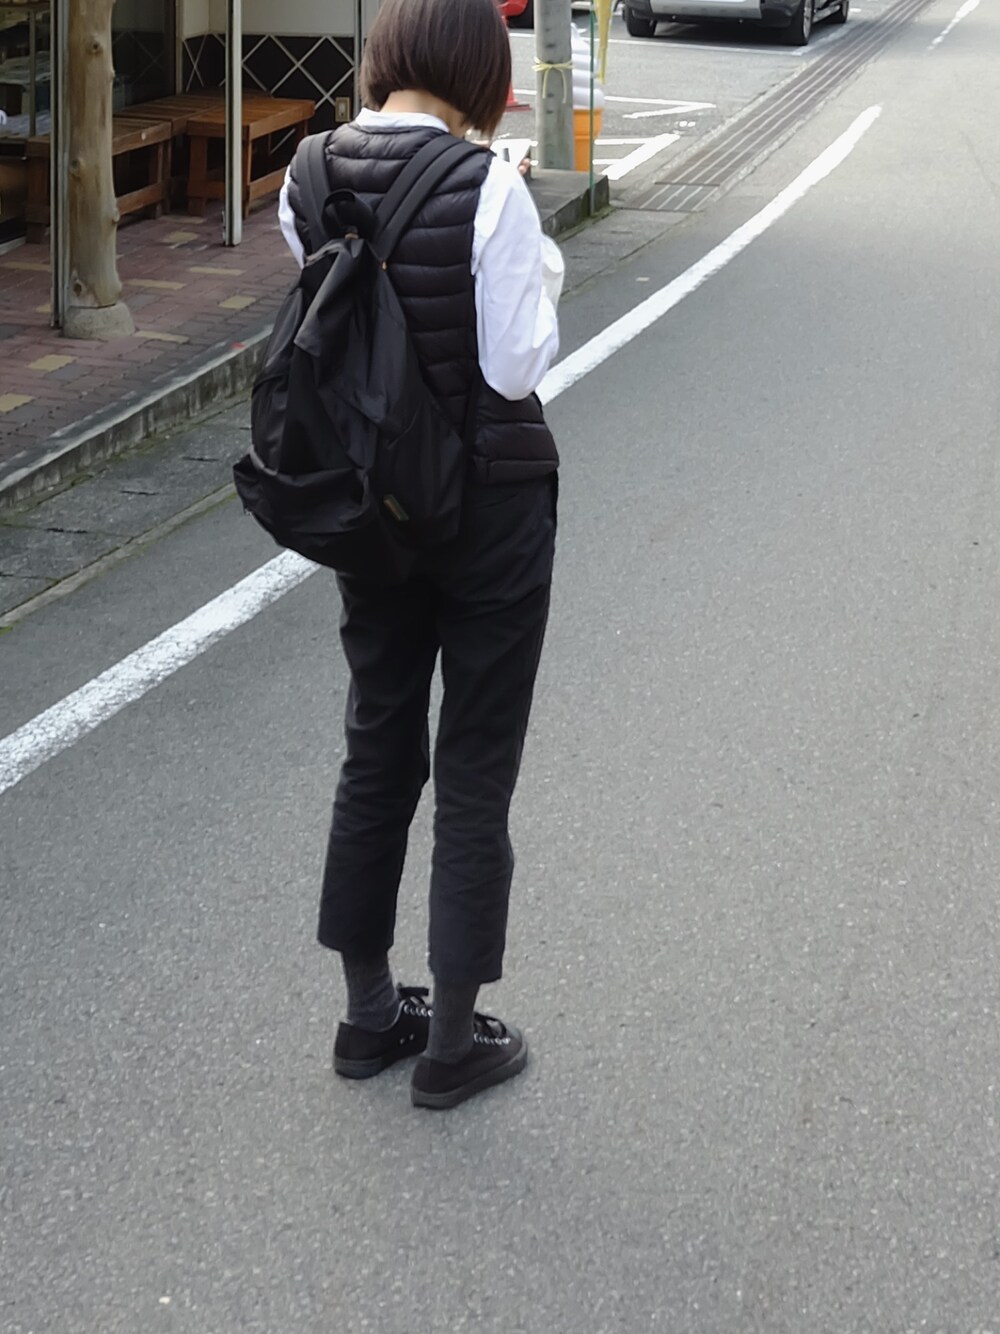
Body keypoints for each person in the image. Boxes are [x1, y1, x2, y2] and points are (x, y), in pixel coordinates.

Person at [278, 0, 562, 1110]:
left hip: (371, 506)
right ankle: (450, 1042)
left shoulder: (307, 173)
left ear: (388, 55)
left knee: (377, 745)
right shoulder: (486, 185)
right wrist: (531, 242)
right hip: (488, 511)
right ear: (480, 74)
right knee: (475, 764)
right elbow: (514, 362)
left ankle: (366, 1014)